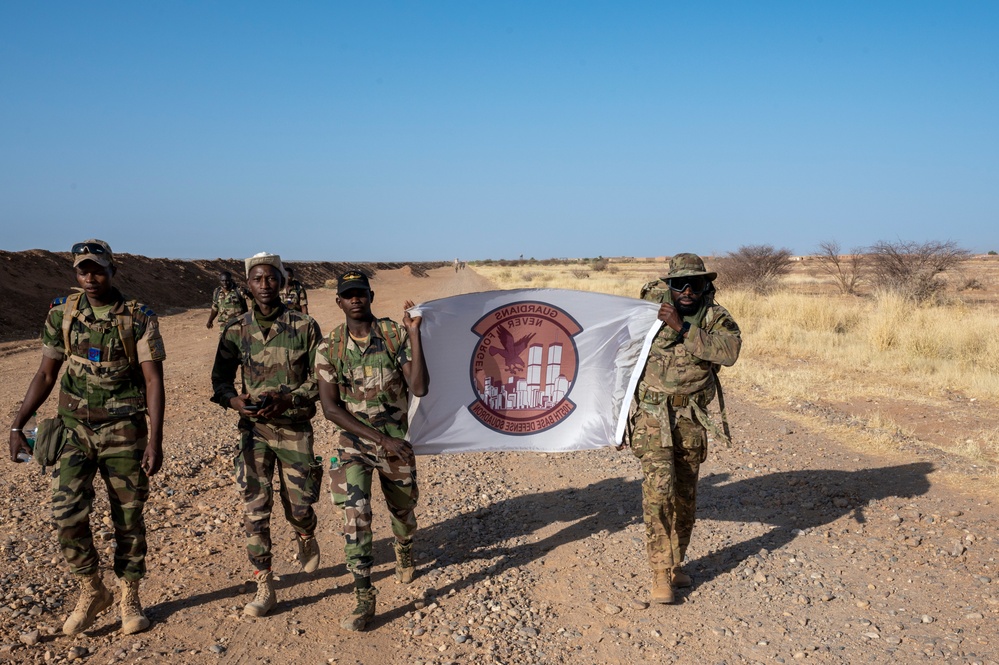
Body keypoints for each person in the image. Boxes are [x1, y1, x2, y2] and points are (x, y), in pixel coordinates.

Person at [8, 239, 166, 635]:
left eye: (97, 269)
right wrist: (16, 424)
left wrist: (155, 440)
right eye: (83, 270)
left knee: (128, 518)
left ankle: (129, 594)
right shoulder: (63, 313)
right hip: (75, 429)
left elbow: (153, 380)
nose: (90, 277)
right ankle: (91, 588)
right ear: (75, 274)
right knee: (66, 514)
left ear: (113, 270)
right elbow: (46, 374)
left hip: (124, 430)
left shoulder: (138, 316)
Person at [210, 252, 323, 617]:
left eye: (271, 278)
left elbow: (321, 380)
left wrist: (288, 398)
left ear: (282, 282)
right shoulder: (235, 329)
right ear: (248, 284)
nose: (264, 285)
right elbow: (220, 380)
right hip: (254, 430)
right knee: (255, 509)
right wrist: (234, 402)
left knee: (301, 505)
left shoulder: (305, 326)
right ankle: (265, 583)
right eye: (257, 279)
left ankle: (305, 534)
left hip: (293, 429)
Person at [316, 269, 429, 631]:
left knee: (403, 509)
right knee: (356, 513)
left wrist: (414, 335)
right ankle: (364, 596)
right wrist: (379, 440)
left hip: (396, 441)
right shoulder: (329, 347)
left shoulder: (394, 335)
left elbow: (420, 387)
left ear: (370, 296)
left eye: (360, 293)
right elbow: (331, 409)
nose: (355, 299)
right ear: (339, 301)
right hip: (355, 445)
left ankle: (404, 546)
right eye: (348, 294)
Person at [626, 253, 741, 604]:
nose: (688, 289)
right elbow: (618, 359)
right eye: (680, 284)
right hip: (651, 418)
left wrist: (682, 327)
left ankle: (677, 562)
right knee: (658, 494)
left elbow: (730, 351)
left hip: (690, 418)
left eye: (696, 283)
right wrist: (613, 419)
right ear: (669, 285)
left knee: (685, 496)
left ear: (707, 284)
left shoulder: (714, 316)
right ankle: (660, 574)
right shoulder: (645, 313)